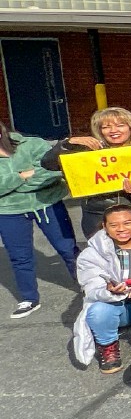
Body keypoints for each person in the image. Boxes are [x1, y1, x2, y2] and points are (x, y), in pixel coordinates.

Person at [0, 122, 78, 318]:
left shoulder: (32, 144)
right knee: (20, 257)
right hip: (9, 210)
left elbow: (52, 171)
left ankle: (87, 286)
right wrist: (22, 176)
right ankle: (29, 298)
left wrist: (16, 182)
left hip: (47, 203)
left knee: (68, 249)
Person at [41, 107, 131, 238]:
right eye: (106, 127)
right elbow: (48, 163)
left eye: (120, 125)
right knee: (103, 256)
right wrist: (67, 144)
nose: (114, 131)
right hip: (98, 215)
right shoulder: (87, 151)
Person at [74, 203, 131, 374]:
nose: (121, 229)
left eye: (127, 223)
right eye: (114, 225)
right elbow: (91, 287)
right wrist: (109, 290)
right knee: (98, 311)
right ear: (104, 226)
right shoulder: (91, 254)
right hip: (118, 304)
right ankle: (108, 347)